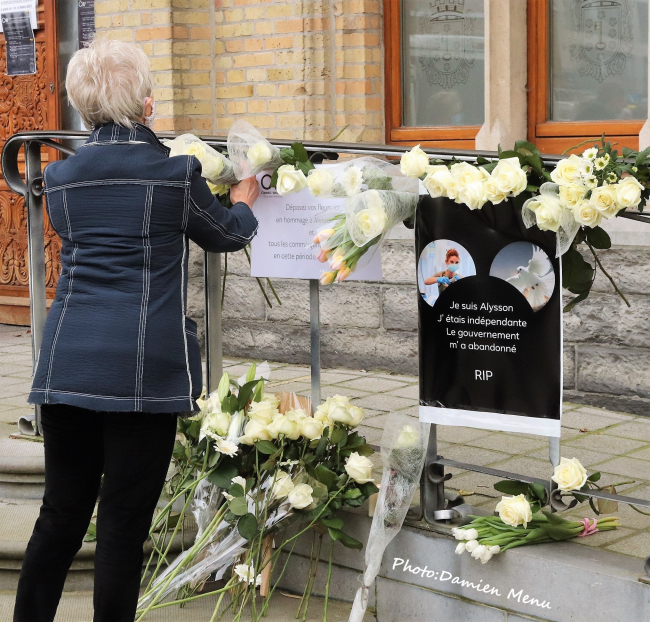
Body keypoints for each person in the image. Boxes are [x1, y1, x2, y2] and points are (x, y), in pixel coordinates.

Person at [13, 38, 259, 622]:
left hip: (68, 360)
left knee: (60, 516)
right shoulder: (174, 174)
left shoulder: (62, 176)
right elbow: (227, 233)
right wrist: (246, 196)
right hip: (142, 370)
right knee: (122, 528)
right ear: (147, 104)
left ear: (82, 108)